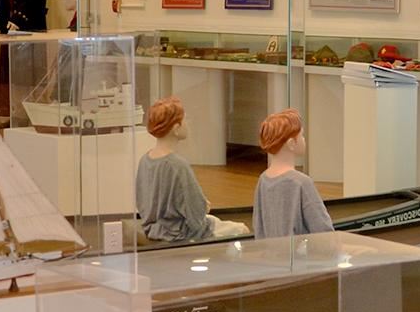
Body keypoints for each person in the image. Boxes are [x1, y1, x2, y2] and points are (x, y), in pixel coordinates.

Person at [135, 96, 249, 243]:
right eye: (185, 119)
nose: (188, 124)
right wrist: (203, 206)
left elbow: (143, 202)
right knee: (241, 229)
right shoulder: (177, 165)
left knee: (215, 220)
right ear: (176, 129)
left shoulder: (145, 160)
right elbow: (196, 215)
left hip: (154, 230)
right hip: (179, 232)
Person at [253, 108, 335, 240]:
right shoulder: (301, 182)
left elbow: (259, 227)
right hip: (299, 252)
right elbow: (323, 230)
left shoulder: (263, 179)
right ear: (291, 143)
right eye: (301, 135)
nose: (304, 139)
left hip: (271, 252)